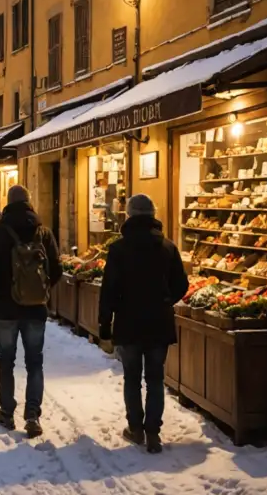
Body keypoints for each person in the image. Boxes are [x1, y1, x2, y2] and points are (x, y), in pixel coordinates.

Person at [98, 194, 188, 454]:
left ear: (129, 215)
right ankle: (153, 432)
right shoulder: (168, 247)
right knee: (156, 378)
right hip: (159, 321)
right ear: (153, 215)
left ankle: (136, 428)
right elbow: (181, 284)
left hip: (128, 322)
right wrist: (166, 299)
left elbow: (109, 290)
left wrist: (105, 324)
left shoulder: (118, 249)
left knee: (132, 378)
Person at [0, 185, 61, 438]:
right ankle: (33, 414)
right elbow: (56, 269)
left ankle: (7, 411)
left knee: (7, 360)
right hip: (36, 310)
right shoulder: (43, 233)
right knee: (35, 362)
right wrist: (40, 290)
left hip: (5, 309)